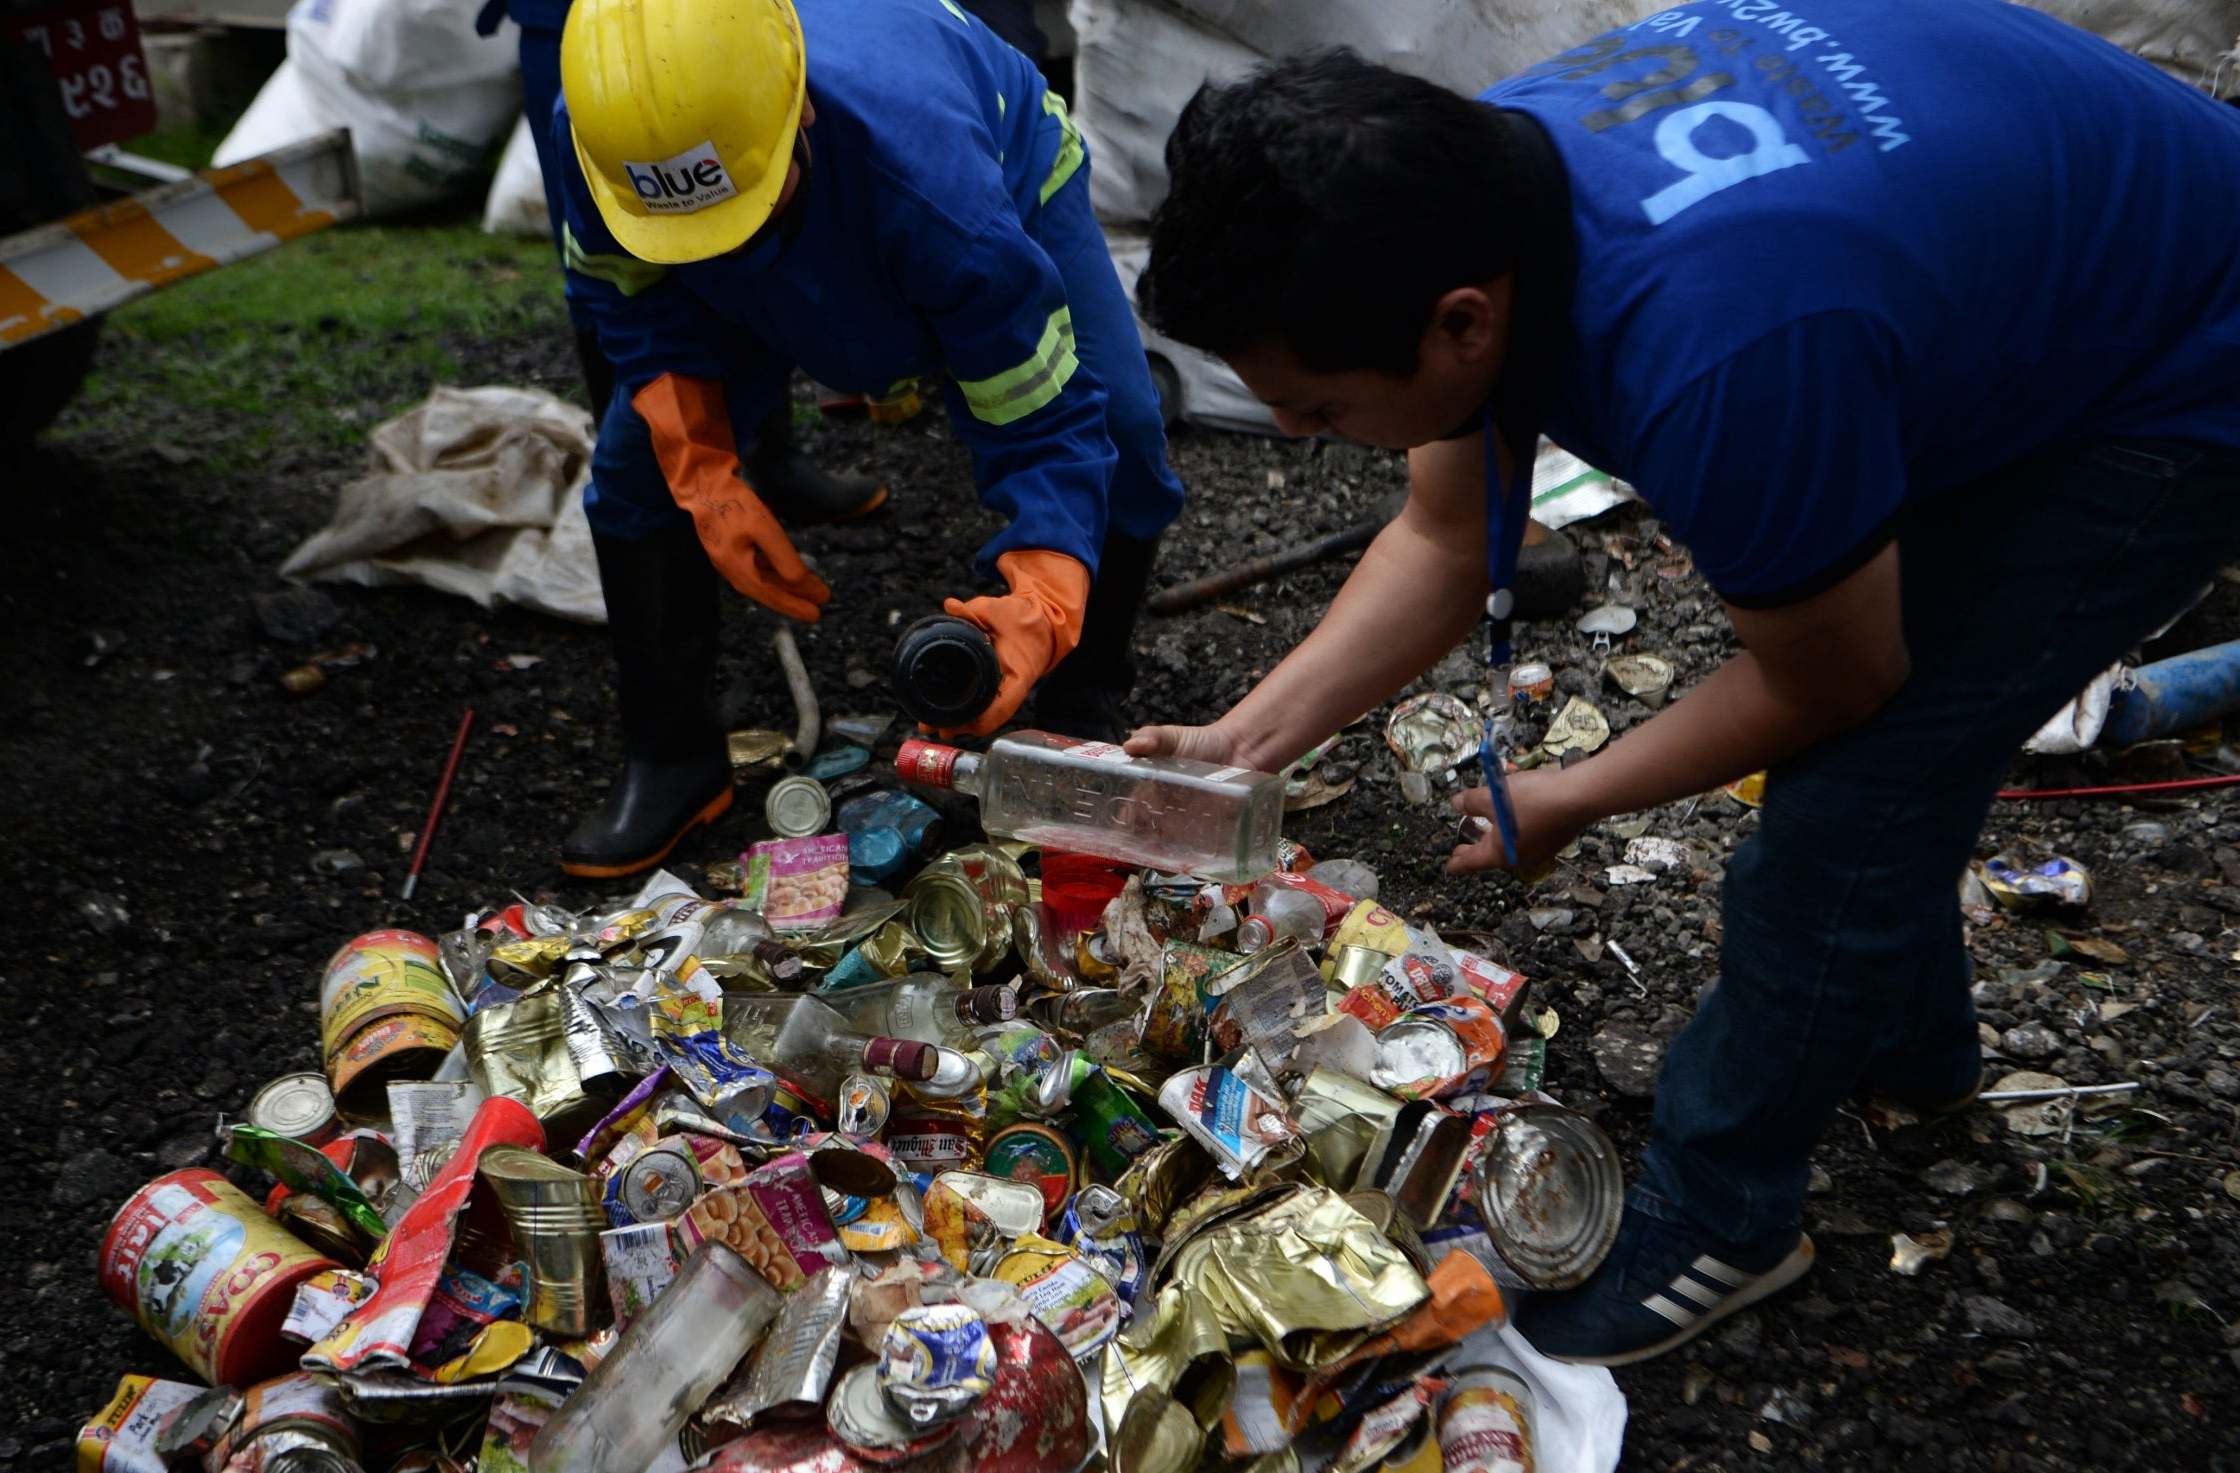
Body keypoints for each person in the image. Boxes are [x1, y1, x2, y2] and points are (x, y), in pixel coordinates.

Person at [1125, 0, 2240, 1365]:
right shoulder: (1470, 185)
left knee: (1843, 817)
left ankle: (1728, 1209)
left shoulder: (1722, 351)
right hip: (2012, 260)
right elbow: (1439, 526)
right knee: (1903, 763)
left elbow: (1837, 678)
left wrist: (1576, 793)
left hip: (2182, 366)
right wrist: (1253, 739)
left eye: (1319, 410)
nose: (1303, 439)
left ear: (1463, 324)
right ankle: (1909, 1048)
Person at [550, 0, 1182, 878]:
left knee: (1120, 424)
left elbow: (1043, 417)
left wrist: (1042, 592)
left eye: (749, 209)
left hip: (990, 175)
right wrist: (700, 469)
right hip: (820, 209)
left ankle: (1081, 709)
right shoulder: (609, 134)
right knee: (632, 478)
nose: (731, 245)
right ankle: (673, 758)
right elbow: (628, 295)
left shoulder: (939, 193)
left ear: (799, 108)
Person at [473, 0, 888, 525]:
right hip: (567, 23)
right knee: (612, 249)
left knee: (747, 217)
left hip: (705, 24)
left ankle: (766, 453)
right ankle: (648, 482)